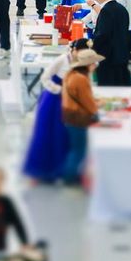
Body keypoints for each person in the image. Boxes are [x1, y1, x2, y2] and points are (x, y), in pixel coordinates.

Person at [22, 39, 89, 183]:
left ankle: (63, 171)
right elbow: (44, 77)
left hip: (71, 102)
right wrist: (60, 90)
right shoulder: (62, 60)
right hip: (53, 101)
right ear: (74, 50)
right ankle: (43, 171)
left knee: (65, 136)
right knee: (49, 134)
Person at [61, 50, 103, 184]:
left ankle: (70, 174)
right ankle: (69, 178)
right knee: (79, 151)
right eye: (94, 62)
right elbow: (88, 103)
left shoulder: (71, 74)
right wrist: (100, 106)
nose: (96, 65)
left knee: (74, 149)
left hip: (69, 115)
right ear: (88, 64)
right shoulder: (81, 79)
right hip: (78, 118)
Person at [91, 0, 131, 86]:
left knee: (108, 90)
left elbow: (102, 35)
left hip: (108, 58)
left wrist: (92, 50)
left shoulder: (106, 11)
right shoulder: (122, 9)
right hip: (122, 55)